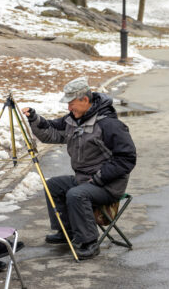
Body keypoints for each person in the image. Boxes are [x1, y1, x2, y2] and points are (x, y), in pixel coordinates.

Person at [22, 77, 136, 260]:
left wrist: (100, 178)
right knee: (53, 186)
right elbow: (50, 132)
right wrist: (34, 119)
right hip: (85, 179)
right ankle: (66, 232)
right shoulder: (74, 120)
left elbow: (127, 159)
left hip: (108, 185)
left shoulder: (110, 124)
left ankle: (89, 242)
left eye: (71, 103)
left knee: (76, 194)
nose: (69, 108)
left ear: (85, 100)